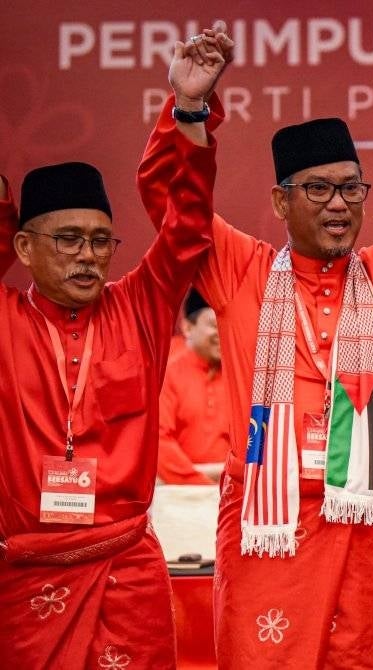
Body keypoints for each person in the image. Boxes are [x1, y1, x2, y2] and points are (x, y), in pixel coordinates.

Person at [136, 27, 373, 668]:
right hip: (265, 525)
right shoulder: (239, 269)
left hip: (362, 521)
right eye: (319, 189)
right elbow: (173, 210)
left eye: (352, 189)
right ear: (281, 200)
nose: (338, 205)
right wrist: (190, 110)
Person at [0, 42, 222, 669]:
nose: (87, 256)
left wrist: (189, 108)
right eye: (68, 239)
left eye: (101, 240)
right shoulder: (8, 319)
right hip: (27, 576)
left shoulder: (139, 308)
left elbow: (187, 230)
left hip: (129, 568)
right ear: (23, 245)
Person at [158, 288, 229, 484]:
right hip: (181, 494)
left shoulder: (239, 375)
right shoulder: (167, 373)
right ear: (188, 328)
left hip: (232, 493)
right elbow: (159, 443)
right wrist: (200, 483)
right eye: (215, 325)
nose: (222, 333)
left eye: (227, 325)